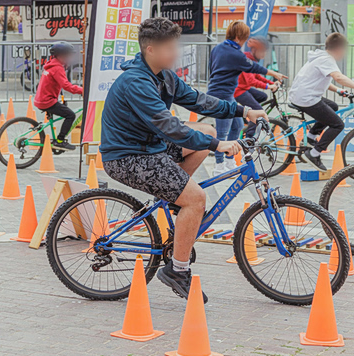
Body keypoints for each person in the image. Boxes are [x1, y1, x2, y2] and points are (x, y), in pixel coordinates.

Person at [100, 18, 267, 302]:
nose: (176, 53)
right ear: (150, 49)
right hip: (128, 156)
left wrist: (242, 111)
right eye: (170, 48)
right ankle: (177, 270)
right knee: (196, 198)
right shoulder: (137, 82)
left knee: (206, 131)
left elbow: (200, 101)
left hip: (150, 148)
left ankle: (176, 199)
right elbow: (170, 128)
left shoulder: (164, 75)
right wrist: (219, 145)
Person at [207, 21, 285, 175]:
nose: (245, 42)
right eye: (244, 38)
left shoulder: (219, 48)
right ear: (238, 37)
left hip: (226, 93)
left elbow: (212, 67)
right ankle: (219, 166)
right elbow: (252, 66)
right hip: (222, 94)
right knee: (222, 132)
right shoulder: (234, 53)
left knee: (236, 126)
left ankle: (229, 161)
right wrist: (274, 73)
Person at [287, 33, 354, 171]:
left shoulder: (319, 57)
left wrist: (338, 91)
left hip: (302, 95)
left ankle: (311, 137)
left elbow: (323, 80)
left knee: (333, 106)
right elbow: (338, 77)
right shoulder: (327, 59)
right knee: (337, 124)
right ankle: (314, 153)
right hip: (307, 98)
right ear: (338, 48)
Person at [33, 42, 84, 151]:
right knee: (70, 115)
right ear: (61, 56)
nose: (69, 58)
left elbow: (55, 84)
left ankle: (58, 140)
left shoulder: (51, 64)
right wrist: (83, 91)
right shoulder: (57, 68)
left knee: (64, 111)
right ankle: (60, 141)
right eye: (68, 55)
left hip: (42, 99)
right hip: (47, 101)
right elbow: (66, 86)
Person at [233, 35, 281, 136]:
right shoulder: (246, 59)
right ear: (254, 50)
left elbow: (258, 77)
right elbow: (251, 81)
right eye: (262, 51)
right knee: (259, 111)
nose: (264, 54)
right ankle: (249, 138)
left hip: (244, 88)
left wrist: (271, 83)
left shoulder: (252, 60)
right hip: (238, 91)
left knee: (263, 96)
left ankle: (247, 115)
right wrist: (268, 87)